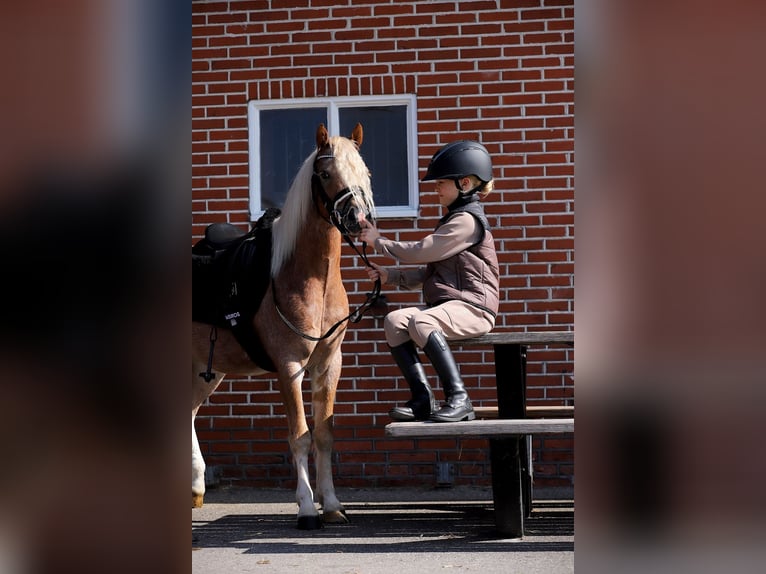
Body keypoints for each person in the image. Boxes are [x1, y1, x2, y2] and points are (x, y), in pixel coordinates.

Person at [359, 140, 500, 423]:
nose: (435, 188)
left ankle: (460, 399)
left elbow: (422, 250)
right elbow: (429, 272)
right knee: (395, 321)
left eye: (441, 183)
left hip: (474, 308)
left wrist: (379, 242)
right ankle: (423, 399)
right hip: (450, 306)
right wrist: (391, 276)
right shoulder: (452, 221)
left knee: (423, 322)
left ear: (466, 183)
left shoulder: (467, 222)